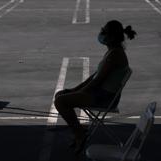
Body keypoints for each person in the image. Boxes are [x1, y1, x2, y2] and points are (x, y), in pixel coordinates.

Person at [54, 20, 137, 153]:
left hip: (104, 97)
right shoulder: (112, 51)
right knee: (61, 94)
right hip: (99, 92)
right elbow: (94, 76)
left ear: (112, 37)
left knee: (60, 101)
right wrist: (74, 90)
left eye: (104, 32)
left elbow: (97, 80)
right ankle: (79, 130)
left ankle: (79, 134)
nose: (101, 35)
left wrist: (78, 93)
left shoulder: (115, 54)